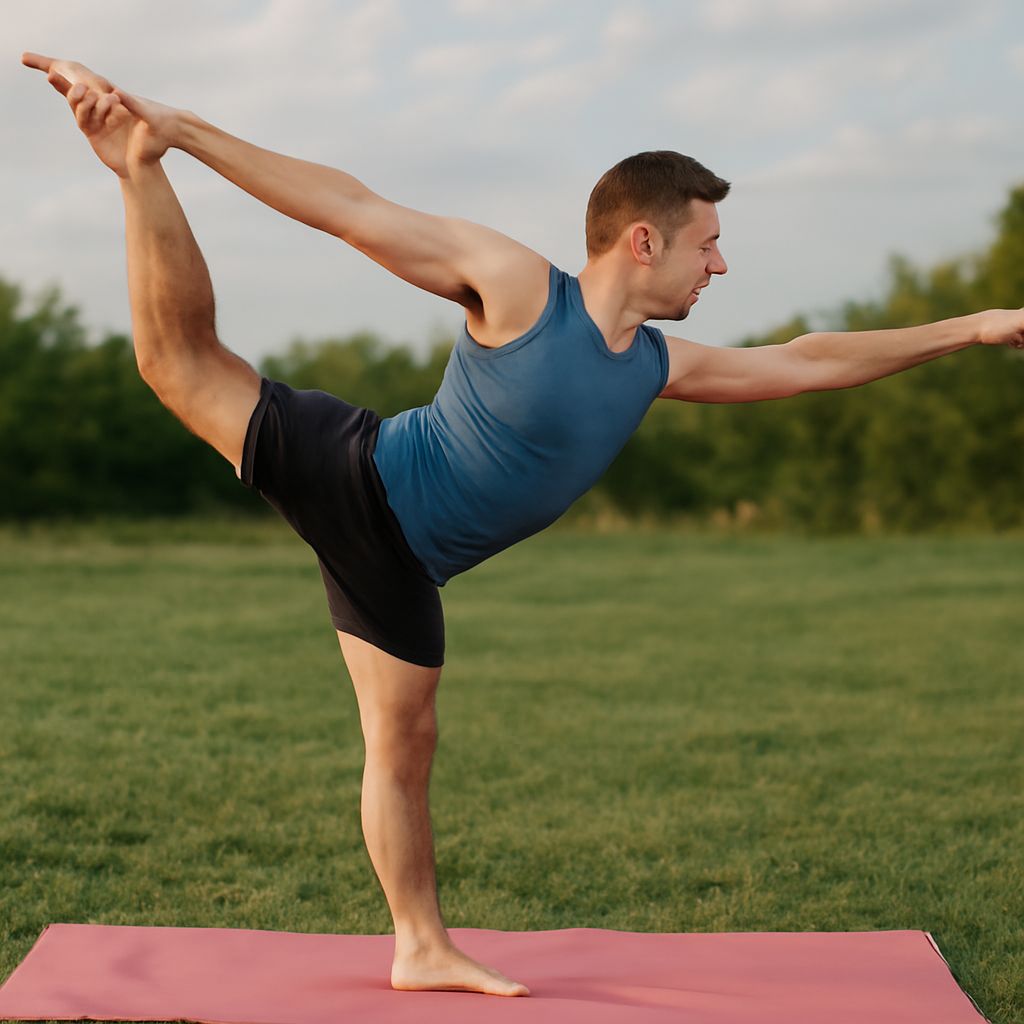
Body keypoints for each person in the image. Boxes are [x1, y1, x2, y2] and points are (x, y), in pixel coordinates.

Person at [22, 52, 1024, 1000]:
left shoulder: (657, 367)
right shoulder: (514, 286)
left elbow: (810, 360)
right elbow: (352, 209)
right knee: (175, 361)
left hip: (406, 566)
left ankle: (419, 947)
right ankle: (138, 167)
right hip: (359, 477)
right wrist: (185, 132)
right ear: (645, 239)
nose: (719, 265)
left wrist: (973, 328)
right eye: (706, 242)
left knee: (404, 742)